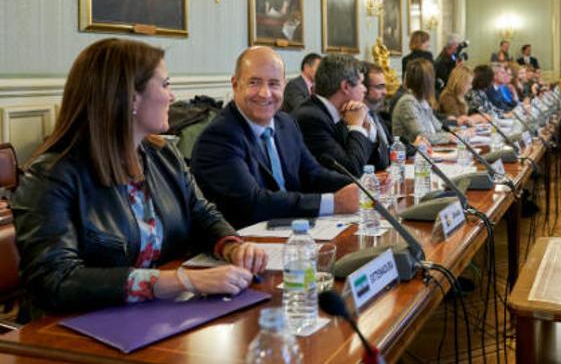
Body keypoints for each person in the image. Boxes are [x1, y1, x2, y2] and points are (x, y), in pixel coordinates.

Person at [11, 39, 268, 320]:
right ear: (131, 97)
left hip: (150, 317)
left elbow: (201, 214)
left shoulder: (163, 154)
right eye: (166, 85)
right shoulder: (51, 175)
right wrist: (180, 281)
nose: (172, 97)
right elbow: (54, 281)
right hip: (69, 331)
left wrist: (233, 247)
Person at [191, 47, 358, 229]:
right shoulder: (219, 137)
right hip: (247, 243)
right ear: (235, 84)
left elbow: (313, 174)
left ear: (284, 86)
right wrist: (334, 203)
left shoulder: (285, 123)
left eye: (273, 84)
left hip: (294, 232)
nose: (265, 93)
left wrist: (361, 187)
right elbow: (254, 204)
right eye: (254, 82)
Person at [294, 54, 388, 176]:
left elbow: (382, 163)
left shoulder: (345, 112)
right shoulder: (311, 119)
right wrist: (357, 127)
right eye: (361, 83)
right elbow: (352, 171)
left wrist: (368, 129)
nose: (364, 89)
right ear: (345, 87)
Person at [392, 59, 452, 145]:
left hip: (429, 151)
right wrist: (449, 137)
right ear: (428, 81)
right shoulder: (407, 102)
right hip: (410, 156)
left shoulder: (423, 101)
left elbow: (439, 128)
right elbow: (422, 136)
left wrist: (457, 134)